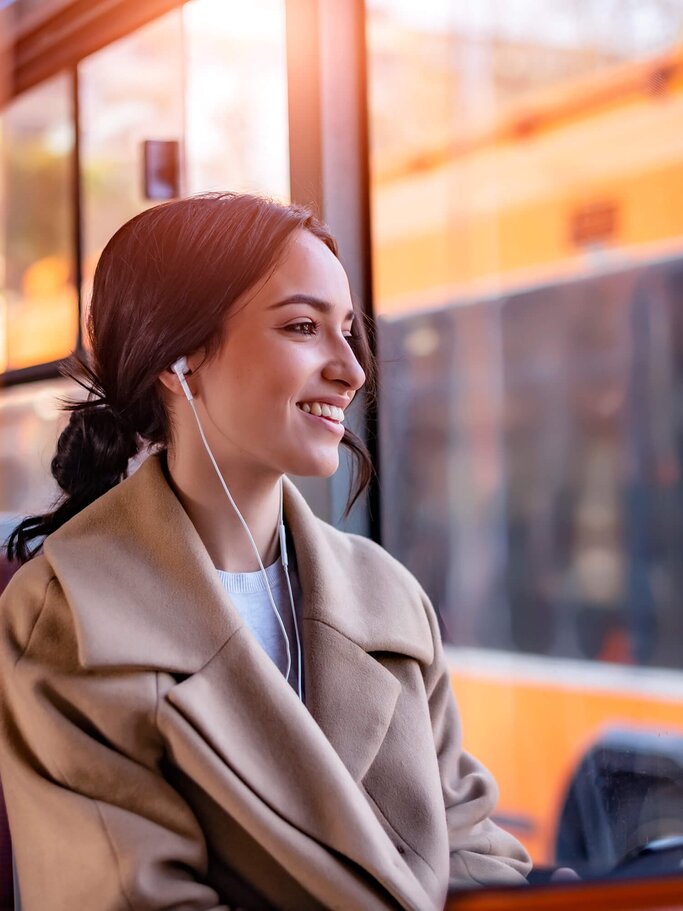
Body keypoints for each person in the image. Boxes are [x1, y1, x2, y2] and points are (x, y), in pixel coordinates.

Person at [0, 193, 531, 911]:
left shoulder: (387, 597)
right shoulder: (68, 615)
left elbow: (471, 851)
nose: (351, 370)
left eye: (349, 331)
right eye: (304, 326)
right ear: (177, 353)